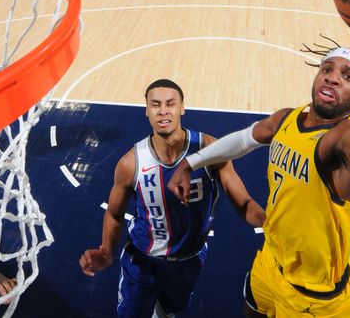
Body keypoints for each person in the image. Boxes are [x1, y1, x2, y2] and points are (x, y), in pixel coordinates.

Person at [168, 16, 350, 317]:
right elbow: (244, 139)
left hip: (315, 299)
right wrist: (191, 162)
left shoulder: (342, 141)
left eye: (348, 76)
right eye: (327, 69)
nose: (333, 77)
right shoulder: (287, 118)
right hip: (271, 262)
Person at [79, 79, 265, 318]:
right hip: (142, 261)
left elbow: (243, 203)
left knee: (169, 312)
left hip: (190, 259)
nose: (163, 111)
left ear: (182, 108)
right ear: (146, 110)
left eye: (170, 104)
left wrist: (266, 220)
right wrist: (106, 252)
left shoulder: (210, 149)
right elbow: (114, 214)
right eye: (155, 104)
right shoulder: (130, 164)